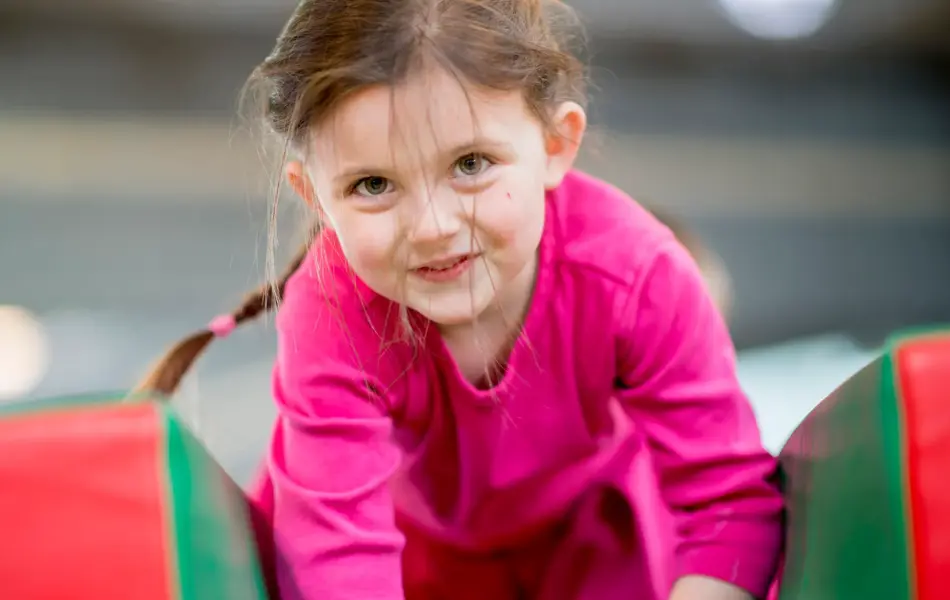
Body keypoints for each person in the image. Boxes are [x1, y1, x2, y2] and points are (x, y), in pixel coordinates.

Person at [137, 1, 782, 598]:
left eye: (471, 165)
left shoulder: (638, 276)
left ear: (556, 145)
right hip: (403, 560)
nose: (433, 226)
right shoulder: (332, 311)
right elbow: (338, 556)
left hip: (583, 555)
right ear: (314, 197)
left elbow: (725, 503)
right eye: (372, 183)